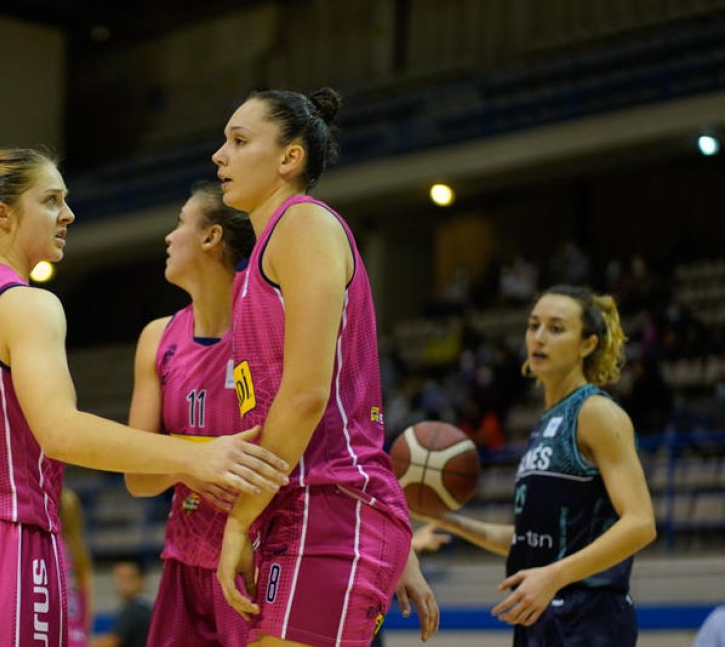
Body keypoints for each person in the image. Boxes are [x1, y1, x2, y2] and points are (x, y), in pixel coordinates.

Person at [0, 148, 292, 645]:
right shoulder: (26, 304)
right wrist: (199, 454)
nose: (69, 213)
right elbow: (61, 432)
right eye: (51, 200)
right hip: (0, 540)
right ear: (4, 215)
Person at [210, 88, 439, 646]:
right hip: (300, 506)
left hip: (333, 506)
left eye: (239, 141)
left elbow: (308, 396)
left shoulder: (303, 225)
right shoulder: (254, 268)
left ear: (290, 158)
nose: (219, 155)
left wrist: (239, 520)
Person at [425, 286, 656, 646]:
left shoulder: (595, 412)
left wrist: (554, 576)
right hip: (541, 613)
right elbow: (528, 541)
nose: (539, 337)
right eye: (533, 325)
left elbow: (641, 523)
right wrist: (445, 519)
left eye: (556, 328)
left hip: (587, 616)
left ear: (587, 345)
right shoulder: (546, 422)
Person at [122, 182, 256, 646]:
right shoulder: (157, 338)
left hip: (254, 558)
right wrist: (200, 454)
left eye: (180, 222)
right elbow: (138, 478)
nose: (168, 236)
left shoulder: (268, 330)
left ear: (210, 237)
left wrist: (174, 457)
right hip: (183, 560)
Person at [92, 561, 154, 647]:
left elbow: (110, 642)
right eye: (119, 579)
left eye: (129, 578)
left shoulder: (135, 610)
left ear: (141, 581)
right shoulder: (145, 607)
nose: (123, 584)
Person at [61, 488, 94, 647]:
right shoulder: (80, 552)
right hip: (79, 638)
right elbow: (88, 608)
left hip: (57, 635)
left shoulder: (51, 545)